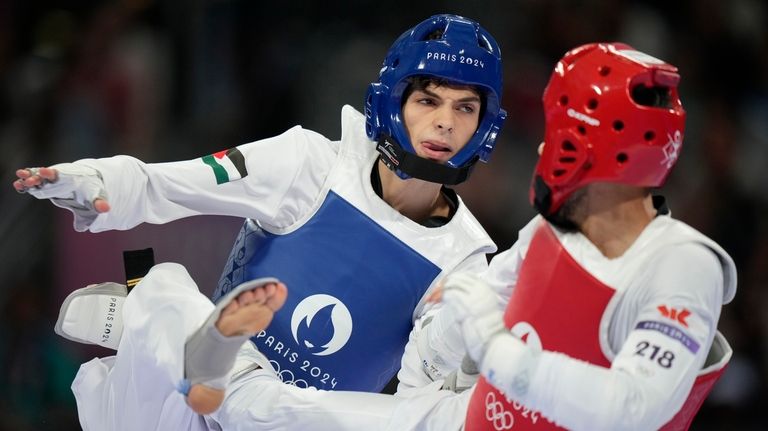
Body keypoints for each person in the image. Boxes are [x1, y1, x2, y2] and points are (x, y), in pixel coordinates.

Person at [14, 14, 506, 430]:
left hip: (289, 423)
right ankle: (173, 336)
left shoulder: (463, 264)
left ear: (484, 127)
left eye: (466, 108)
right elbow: (167, 184)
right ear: (391, 103)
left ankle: (155, 332)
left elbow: (421, 391)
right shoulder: (309, 166)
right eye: (428, 100)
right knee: (165, 288)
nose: (446, 122)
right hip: (181, 407)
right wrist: (100, 180)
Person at [435, 42, 737, 430]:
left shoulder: (685, 265)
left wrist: (496, 350)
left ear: (584, 149)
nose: (543, 148)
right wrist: (427, 374)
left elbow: (634, 406)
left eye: (555, 134)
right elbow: (473, 306)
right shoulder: (554, 227)